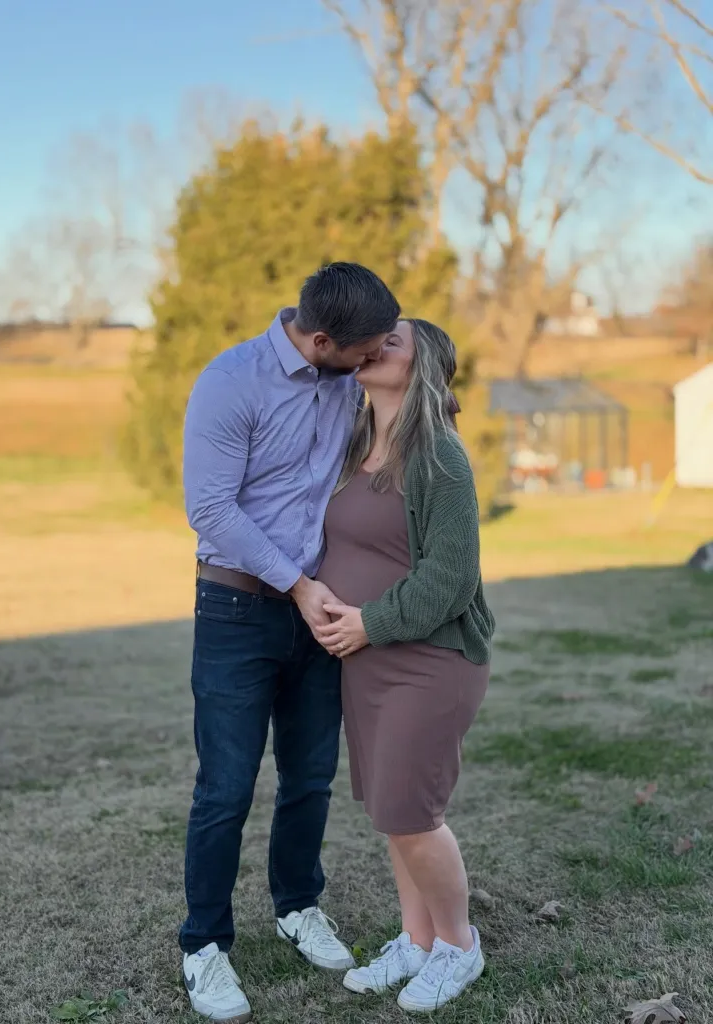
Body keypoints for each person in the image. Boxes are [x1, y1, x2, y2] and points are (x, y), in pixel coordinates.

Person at [180, 262, 400, 1023]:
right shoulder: (229, 382)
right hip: (236, 609)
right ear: (322, 339)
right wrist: (299, 586)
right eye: (366, 350)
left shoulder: (345, 381)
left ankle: (298, 905)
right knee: (226, 787)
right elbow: (210, 507)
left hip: (321, 611)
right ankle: (204, 945)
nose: (373, 361)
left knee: (309, 777)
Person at [315, 318, 495, 1014]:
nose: (376, 344)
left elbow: (451, 577)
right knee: (393, 813)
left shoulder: (439, 455)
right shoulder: (356, 443)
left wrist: (369, 622)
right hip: (367, 663)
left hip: (428, 660)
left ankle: (458, 945)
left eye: (393, 339)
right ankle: (418, 941)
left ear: (423, 366)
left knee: (414, 814)